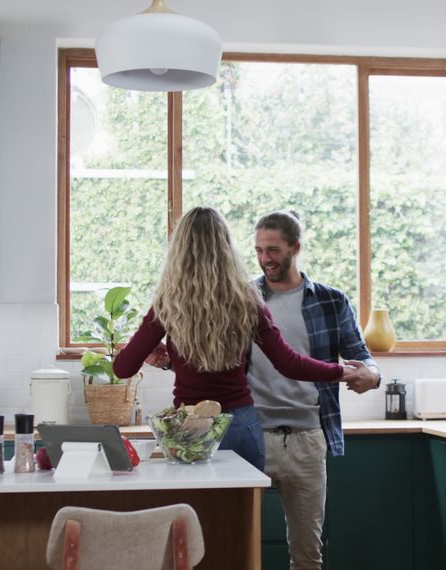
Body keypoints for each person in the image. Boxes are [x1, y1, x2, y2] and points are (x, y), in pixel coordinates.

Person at [148, 210, 380, 570]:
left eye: (272, 250)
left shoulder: (331, 301)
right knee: (235, 542)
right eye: (257, 250)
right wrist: (168, 361)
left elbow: (361, 357)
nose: (264, 259)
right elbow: (214, 366)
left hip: (307, 438)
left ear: (295, 248)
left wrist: (373, 376)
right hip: (252, 433)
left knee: (307, 553)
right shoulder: (240, 298)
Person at [111, 207, 362, 471]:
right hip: (240, 425)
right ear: (226, 247)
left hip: (189, 428)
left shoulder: (168, 303)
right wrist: (341, 371)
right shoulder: (247, 298)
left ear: (179, 249)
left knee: (198, 514)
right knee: (246, 514)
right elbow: (288, 363)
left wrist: (152, 345)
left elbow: (122, 368)